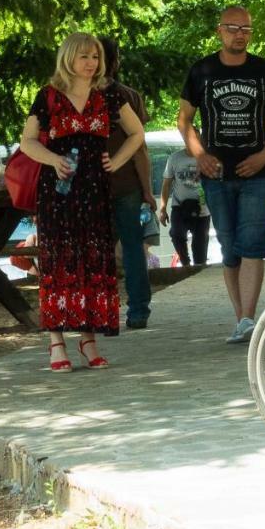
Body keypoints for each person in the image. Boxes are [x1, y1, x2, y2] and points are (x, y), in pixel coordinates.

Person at [17, 32, 145, 372]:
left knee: (93, 260)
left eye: (95, 57)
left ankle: (88, 338)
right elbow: (27, 141)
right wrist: (52, 160)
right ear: (69, 58)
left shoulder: (110, 93)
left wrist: (116, 162)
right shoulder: (48, 96)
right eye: (85, 56)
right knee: (59, 260)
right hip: (58, 191)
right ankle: (56, 341)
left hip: (95, 189)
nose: (91, 63)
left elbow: (137, 133)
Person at [178, 5, 265, 345]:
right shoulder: (202, 71)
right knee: (229, 246)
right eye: (232, 28)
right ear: (219, 31)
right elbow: (184, 120)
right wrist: (199, 155)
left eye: (246, 29)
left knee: (253, 243)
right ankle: (240, 318)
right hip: (216, 173)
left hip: (258, 174)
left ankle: (248, 318)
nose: (240, 34)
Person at [100, 37, 155, 329]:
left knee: (99, 249)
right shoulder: (129, 95)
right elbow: (140, 147)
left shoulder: (78, 94)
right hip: (126, 184)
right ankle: (138, 310)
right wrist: (147, 187)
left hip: (93, 186)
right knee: (133, 246)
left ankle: (104, 310)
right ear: (115, 60)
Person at [159, 148, 212, 267]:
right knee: (176, 234)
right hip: (179, 206)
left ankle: (199, 269)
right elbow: (166, 184)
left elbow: (217, 181)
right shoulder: (174, 158)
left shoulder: (208, 157)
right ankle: (185, 263)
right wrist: (162, 209)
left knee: (200, 247)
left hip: (203, 209)